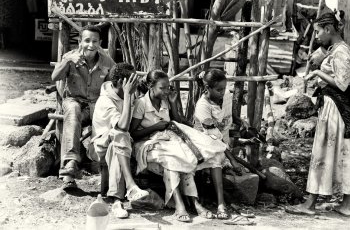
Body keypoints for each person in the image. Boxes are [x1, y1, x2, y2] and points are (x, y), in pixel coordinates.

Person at [286, 11, 350, 217]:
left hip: (336, 109)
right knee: (339, 152)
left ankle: (311, 204)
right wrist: (323, 58)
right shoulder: (335, 49)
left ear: (328, 29)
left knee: (325, 152)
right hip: (332, 107)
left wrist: (318, 72)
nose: (316, 35)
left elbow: (343, 85)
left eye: (318, 31)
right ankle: (344, 204)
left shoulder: (341, 51)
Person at [130, 70, 227, 222]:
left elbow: (175, 122)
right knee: (173, 161)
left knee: (184, 157)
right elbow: (133, 134)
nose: (166, 91)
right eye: (162, 88)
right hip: (146, 144)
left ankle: (194, 203)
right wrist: (155, 127)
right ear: (150, 86)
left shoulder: (165, 100)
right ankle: (181, 205)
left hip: (167, 141)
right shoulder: (141, 104)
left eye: (168, 87)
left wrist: (174, 102)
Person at [51, 25, 116, 189]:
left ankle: (107, 175)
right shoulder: (70, 57)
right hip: (73, 101)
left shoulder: (107, 61)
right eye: (86, 41)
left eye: (95, 41)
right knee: (73, 112)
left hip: (96, 105)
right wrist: (67, 61)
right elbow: (55, 76)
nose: (91, 45)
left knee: (111, 121)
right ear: (80, 41)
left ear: (100, 42)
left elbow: (113, 84)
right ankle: (70, 167)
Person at [88, 63, 149, 218]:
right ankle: (129, 184)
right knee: (120, 134)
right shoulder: (105, 101)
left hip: (118, 145)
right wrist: (128, 96)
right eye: (132, 81)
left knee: (117, 144)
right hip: (99, 145)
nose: (135, 83)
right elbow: (122, 126)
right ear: (123, 83)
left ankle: (116, 201)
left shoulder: (128, 92)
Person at [193, 68, 250, 219]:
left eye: (224, 88)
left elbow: (229, 114)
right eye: (219, 90)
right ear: (207, 88)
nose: (223, 92)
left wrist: (239, 120)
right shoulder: (202, 107)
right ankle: (221, 203)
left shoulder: (227, 96)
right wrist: (232, 160)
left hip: (223, 144)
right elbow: (214, 138)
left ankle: (222, 202)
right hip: (205, 144)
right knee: (217, 157)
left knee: (219, 155)